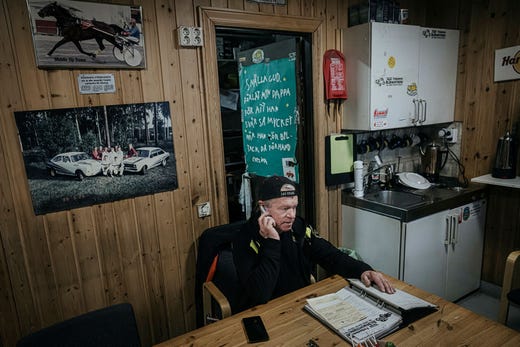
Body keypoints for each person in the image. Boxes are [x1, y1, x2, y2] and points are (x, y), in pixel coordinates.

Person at [233, 175, 395, 312]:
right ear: (263, 208)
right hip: (267, 312)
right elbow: (260, 294)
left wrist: (363, 270)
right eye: (284, 209)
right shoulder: (245, 239)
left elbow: (330, 255)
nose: (292, 215)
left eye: (294, 207)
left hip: (301, 305)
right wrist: (272, 242)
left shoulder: (298, 228)